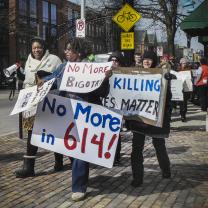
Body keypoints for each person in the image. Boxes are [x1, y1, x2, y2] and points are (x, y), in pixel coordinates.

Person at [37, 38, 112, 201]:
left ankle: (79, 186)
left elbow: (103, 93)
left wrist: (104, 79)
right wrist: (43, 83)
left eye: (69, 49)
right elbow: (52, 81)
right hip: (66, 113)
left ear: (79, 51)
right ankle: (80, 169)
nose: (66, 52)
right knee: (70, 148)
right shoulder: (63, 67)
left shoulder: (92, 68)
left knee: (79, 150)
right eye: (66, 49)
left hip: (86, 114)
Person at [15, 37, 63, 178]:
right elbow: (27, 79)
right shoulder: (28, 61)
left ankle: (59, 161)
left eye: (39, 47)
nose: (37, 50)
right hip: (31, 103)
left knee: (54, 132)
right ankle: (29, 167)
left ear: (44, 47)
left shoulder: (54, 60)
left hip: (49, 102)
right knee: (31, 132)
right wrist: (19, 74)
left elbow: (59, 79)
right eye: (34, 47)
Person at [126, 50, 172, 187]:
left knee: (159, 146)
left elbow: (167, 98)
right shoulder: (135, 74)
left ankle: (166, 169)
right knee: (137, 148)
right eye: (145, 59)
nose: (146, 61)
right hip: (139, 119)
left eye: (150, 59)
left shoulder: (161, 75)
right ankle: (137, 177)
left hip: (155, 118)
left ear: (154, 61)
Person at [108, 51, 124, 165]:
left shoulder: (124, 74)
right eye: (112, 60)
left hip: (117, 107)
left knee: (115, 132)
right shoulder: (104, 73)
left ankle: (116, 156)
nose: (114, 62)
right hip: (105, 106)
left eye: (116, 61)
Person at [177, 58, 192, 122]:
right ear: (181, 63)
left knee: (184, 102)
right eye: (183, 63)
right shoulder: (178, 69)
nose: (184, 64)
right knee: (181, 102)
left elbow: (191, 78)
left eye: (185, 63)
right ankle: (182, 114)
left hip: (186, 88)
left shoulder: (189, 70)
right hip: (180, 88)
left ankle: (183, 114)